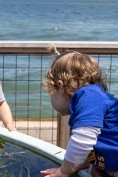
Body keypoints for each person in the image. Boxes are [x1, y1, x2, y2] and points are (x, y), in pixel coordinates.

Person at [40, 44, 118, 177]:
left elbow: (82, 141)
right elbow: (100, 139)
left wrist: (63, 172)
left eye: (51, 93)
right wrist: (85, 163)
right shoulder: (91, 98)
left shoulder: (89, 96)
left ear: (60, 86)